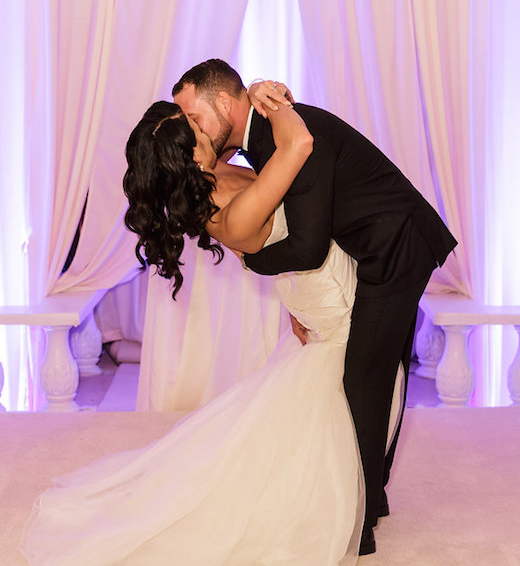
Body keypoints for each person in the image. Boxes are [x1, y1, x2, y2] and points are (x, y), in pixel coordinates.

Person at [20, 90, 366, 565]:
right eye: (196, 127)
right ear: (188, 155)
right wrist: (270, 94)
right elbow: (296, 148)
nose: (205, 125)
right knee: (333, 407)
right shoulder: (227, 214)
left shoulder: (219, 170)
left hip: (319, 289)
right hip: (331, 299)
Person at [173, 59, 458, 555]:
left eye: (195, 118)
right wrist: (294, 297)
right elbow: (308, 221)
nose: (194, 130)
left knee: (363, 379)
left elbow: (305, 248)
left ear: (223, 102)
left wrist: (252, 261)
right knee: (378, 371)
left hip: (396, 245)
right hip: (375, 247)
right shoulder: (266, 135)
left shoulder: (280, 135)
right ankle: (374, 495)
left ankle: (361, 520)